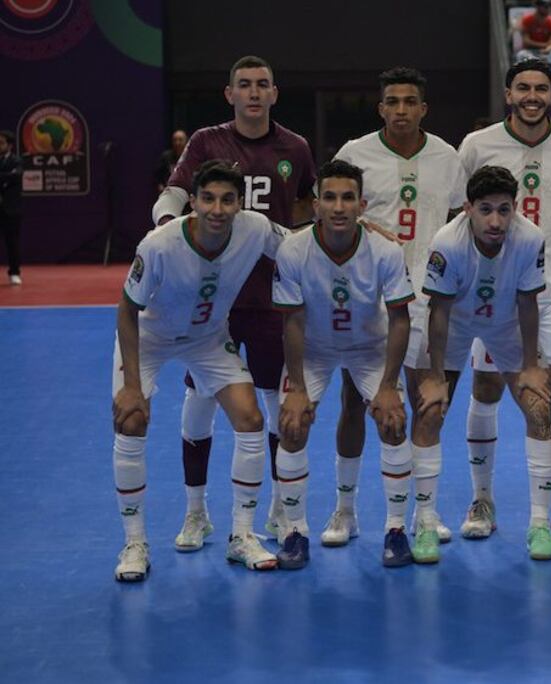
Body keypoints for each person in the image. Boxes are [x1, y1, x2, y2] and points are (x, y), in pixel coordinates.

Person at [152, 56, 317, 554]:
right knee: (198, 399)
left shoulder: (296, 147)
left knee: (272, 404)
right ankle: (195, 511)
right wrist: (165, 229)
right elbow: (174, 194)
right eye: (243, 85)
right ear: (229, 94)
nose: (252, 92)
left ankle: (278, 506)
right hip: (213, 301)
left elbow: (308, 212)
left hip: (271, 298)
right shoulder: (206, 142)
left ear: (274, 93)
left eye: (261, 84)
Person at [112, 160, 285, 581]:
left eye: (228, 200)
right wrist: (133, 385)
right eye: (208, 199)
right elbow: (127, 309)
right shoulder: (158, 244)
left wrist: (359, 233)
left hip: (208, 338)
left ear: (239, 204)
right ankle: (135, 543)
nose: (218, 209)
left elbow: (301, 249)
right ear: (193, 201)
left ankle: (242, 535)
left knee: (251, 418)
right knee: (131, 420)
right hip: (151, 339)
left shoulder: (256, 229)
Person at [456, 60, 551, 543]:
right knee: (488, 386)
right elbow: (461, 213)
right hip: (491, 289)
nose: (532, 96)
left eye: (541, 88)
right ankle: (482, 497)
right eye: (523, 88)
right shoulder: (477, 145)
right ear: (508, 94)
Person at [332, 67, 465, 546]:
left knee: (427, 405)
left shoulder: (448, 158)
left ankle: (424, 514)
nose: (402, 110)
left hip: (428, 300)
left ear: (424, 108)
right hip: (368, 300)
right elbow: (335, 213)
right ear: (381, 107)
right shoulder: (355, 154)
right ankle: (344, 510)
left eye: (411, 102)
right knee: (355, 403)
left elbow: (458, 220)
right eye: (393, 102)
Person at [406, 165, 551, 561]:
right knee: (429, 412)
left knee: (540, 409)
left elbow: (528, 302)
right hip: (454, 322)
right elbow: (437, 311)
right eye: (486, 210)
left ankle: (539, 523)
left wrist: (529, 364)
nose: (495, 221)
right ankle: (424, 521)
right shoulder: (448, 242)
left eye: (504, 210)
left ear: (515, 209)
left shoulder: (530, 238)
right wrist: (437, 376)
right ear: (467, 208)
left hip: (506, 321)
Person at [271, 160, 415, 569]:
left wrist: (389, 384)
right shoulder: (294, 250)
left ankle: (395, 529)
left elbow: (400, 319)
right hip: (314, 349)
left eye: (347, 198)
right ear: (315, 205)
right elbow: (292, 321)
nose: (338, 206)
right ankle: (295, 531)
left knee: (392, 419)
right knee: (292, 425)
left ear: (362, 205)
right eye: (329, 197)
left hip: (369, 347)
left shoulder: (385, 251)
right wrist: (297, 388)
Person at [0, 130, 21, 285]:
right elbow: (9, 177)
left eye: (1, 143)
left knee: (12, 242)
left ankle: (14, 272)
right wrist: (6, 176)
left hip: (10, 209)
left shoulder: (16, 161)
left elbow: (16, 175)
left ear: (10, 145)